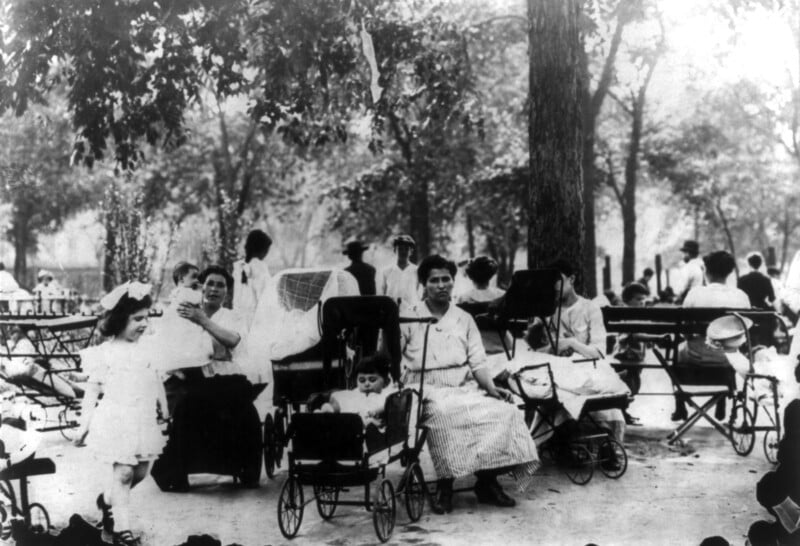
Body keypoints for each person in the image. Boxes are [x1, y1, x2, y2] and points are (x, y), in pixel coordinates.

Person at [400, 255, 539, 514]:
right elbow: (395, 359)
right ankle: (445, 484)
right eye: (434, 280)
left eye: (446, 279)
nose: (441, 285)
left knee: (504, 411)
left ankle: (487, 481)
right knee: (445, 414)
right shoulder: (409, 316)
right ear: (423, 284)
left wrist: (491, 388)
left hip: (464, 385)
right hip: (425, 387)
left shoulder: (464, 318)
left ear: (454, 282)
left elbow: (478, 363)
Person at [74, 281, 167, 546]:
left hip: (143, 420)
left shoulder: (147, 349)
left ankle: (107, 501)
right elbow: (92, 391)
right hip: (116, 419)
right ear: (119, 319)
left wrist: (164, 406)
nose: (143, 324)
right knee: (124, 474)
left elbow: (156, 379)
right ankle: (123, 530)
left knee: (140, 473)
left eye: (146, 319)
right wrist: (84, 425)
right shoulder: (104, 353)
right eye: (137, 319)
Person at [527, 259, 625, 450]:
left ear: (571, 279)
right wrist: (554, 348)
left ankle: (610, 446)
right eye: (550, 282)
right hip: (558, 371)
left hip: (588, 368)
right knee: (554, 393)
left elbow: (598, 352)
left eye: (558, 280)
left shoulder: (590, 308)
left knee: (604, 398)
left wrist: (572, 343)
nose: (554, 286)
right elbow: (535, 351)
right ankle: (540, 446)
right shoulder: (546, 311)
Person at [674, 250, 750, 421]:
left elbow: (684, 328)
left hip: (695, 357)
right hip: (729, 359)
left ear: (705, 270)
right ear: (730, 272)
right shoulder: (741, 296)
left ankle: (679, 403)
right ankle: (722, 397)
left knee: (678, 350)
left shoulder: (695, 294)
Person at [612, 282, 659, 425]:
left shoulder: (634, 313)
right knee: (629, 385)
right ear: (627, 300)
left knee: (633, 384)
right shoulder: (628, 313)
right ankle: (621, 412)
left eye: (643, 299)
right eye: (638, 299)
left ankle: (623, 411)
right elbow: (636, 335)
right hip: (626, 356)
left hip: (634, 357)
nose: (642, 302)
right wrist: (655, 338)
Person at [0, 324, 79, 398]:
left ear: (20, 333)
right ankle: (73, 385)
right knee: (51, 375)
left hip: (27, 368)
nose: (12, 337)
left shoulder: (24, 342)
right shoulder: (15, 344)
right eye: (11, 334)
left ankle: (73, 385)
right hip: (24, 369)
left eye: (13, 334)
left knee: (53, 376)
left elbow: (22, 358)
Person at [319, 353, 391, 428]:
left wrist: (376, 412)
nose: (366, 384)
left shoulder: (385, 395)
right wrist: (331, 408)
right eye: (362, 380)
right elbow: (341, 400)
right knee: (338, 403)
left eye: (372, 380)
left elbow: (387, 406)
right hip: (350, 424)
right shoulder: (354, 394)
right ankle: (325, 414)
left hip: (372, 429)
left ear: (385, 381)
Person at [232, 230, 272, 335]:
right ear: (262, 249)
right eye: (267, 250)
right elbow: (265, 296)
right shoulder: (260, 267)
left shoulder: (239, 267)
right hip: (256, 320)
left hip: (238, 320)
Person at [377, 235, 419, 307]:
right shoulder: (386, 271)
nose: (403, 251)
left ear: (411, 251)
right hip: (391, 310)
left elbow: (419, 292)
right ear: (395, 250)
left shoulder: (416, 270)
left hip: (411, 311)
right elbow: (382, 294)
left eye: (406, 249)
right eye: (400, 249)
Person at [676, 240, 705, 304]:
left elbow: (680, 290)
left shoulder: (688, 268)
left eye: (683, 253)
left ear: (688, 253)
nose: (682, 256)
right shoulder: (703, 265)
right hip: (704, 302)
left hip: (690, 303)